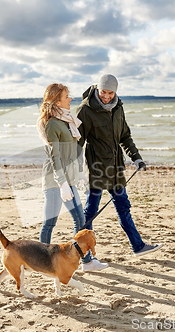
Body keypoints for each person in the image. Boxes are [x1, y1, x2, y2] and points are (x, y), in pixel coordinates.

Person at [76, 74, 163, 256]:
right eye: (103, 92)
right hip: (97, 169)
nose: (106, 96)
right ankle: (84, 255)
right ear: (98, 89)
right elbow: (77, 143)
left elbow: (125, 136)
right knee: (90, 211)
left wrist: (136, 157)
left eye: (110, 92)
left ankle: (138, 246)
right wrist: (74, 170)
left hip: (116, 169)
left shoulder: (118, 108)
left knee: (123, 206)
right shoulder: (85, 110)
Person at [37, 83, 108, 272]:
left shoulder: (66, 121)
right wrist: (62, 184)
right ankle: (40, 262)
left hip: (69, 179)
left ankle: (86, 261)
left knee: (80, 219)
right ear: (56, 101)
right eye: (67, 96)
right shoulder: (53, 124)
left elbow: (71, 153)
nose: (70, 99)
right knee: (50, 222)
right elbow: (56, 157)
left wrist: (79, 175)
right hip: (55, 181)